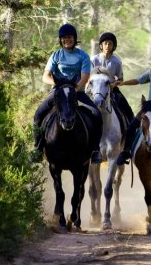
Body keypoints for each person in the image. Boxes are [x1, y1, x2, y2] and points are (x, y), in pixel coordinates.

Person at [31, 23, 103, 163]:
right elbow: (45, 76)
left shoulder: (83, 56)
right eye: (63, 38)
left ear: (74, 38)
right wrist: (58, 85)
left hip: (77, 92)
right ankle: (38, 148)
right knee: (38, 115)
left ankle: (95, 150)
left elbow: (85, 77)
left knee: (96, 114)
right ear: (60, 40)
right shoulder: (56, 55)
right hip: (58, 93)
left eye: (69, 37)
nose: (66, 40)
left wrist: (74, 88)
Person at [91, 32, 134, 121]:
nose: (107, 46)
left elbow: (120, 79)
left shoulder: (117, 61)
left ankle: (130, 129)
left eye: (110, 43)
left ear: (113, 46)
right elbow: (88, 76)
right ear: (101, 45)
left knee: (128, 110)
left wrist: (113, 85)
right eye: (105, 43)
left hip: (111, 89)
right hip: (95, 89)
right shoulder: (93, 59)